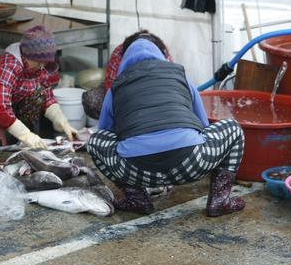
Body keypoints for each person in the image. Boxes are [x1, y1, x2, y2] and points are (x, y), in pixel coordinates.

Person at [86, 38, 245, 217]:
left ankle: (137, 198)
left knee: (95, 141)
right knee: (233, 128)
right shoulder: (179, 76)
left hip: (135, 171)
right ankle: (220, 200)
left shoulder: (116, 87)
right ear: (160, 55)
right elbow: (202, 125)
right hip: (192, 165)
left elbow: (106, 131)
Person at [0, 25, 78, 148]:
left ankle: (21, 142)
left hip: (11, 106)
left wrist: (61, 120)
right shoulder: (8, 65)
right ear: (27, 56)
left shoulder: (38, 65)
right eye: (39, 62)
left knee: (38, 94)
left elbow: (47, 95)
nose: (42, 66)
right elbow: (1, 108)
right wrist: (25, 135)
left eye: (45, 62)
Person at [82, 30, 172, 120]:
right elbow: (111, 88)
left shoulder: (163, 55)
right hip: (128, 94)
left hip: (151, 100)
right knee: (91, 100)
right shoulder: (119, 53)